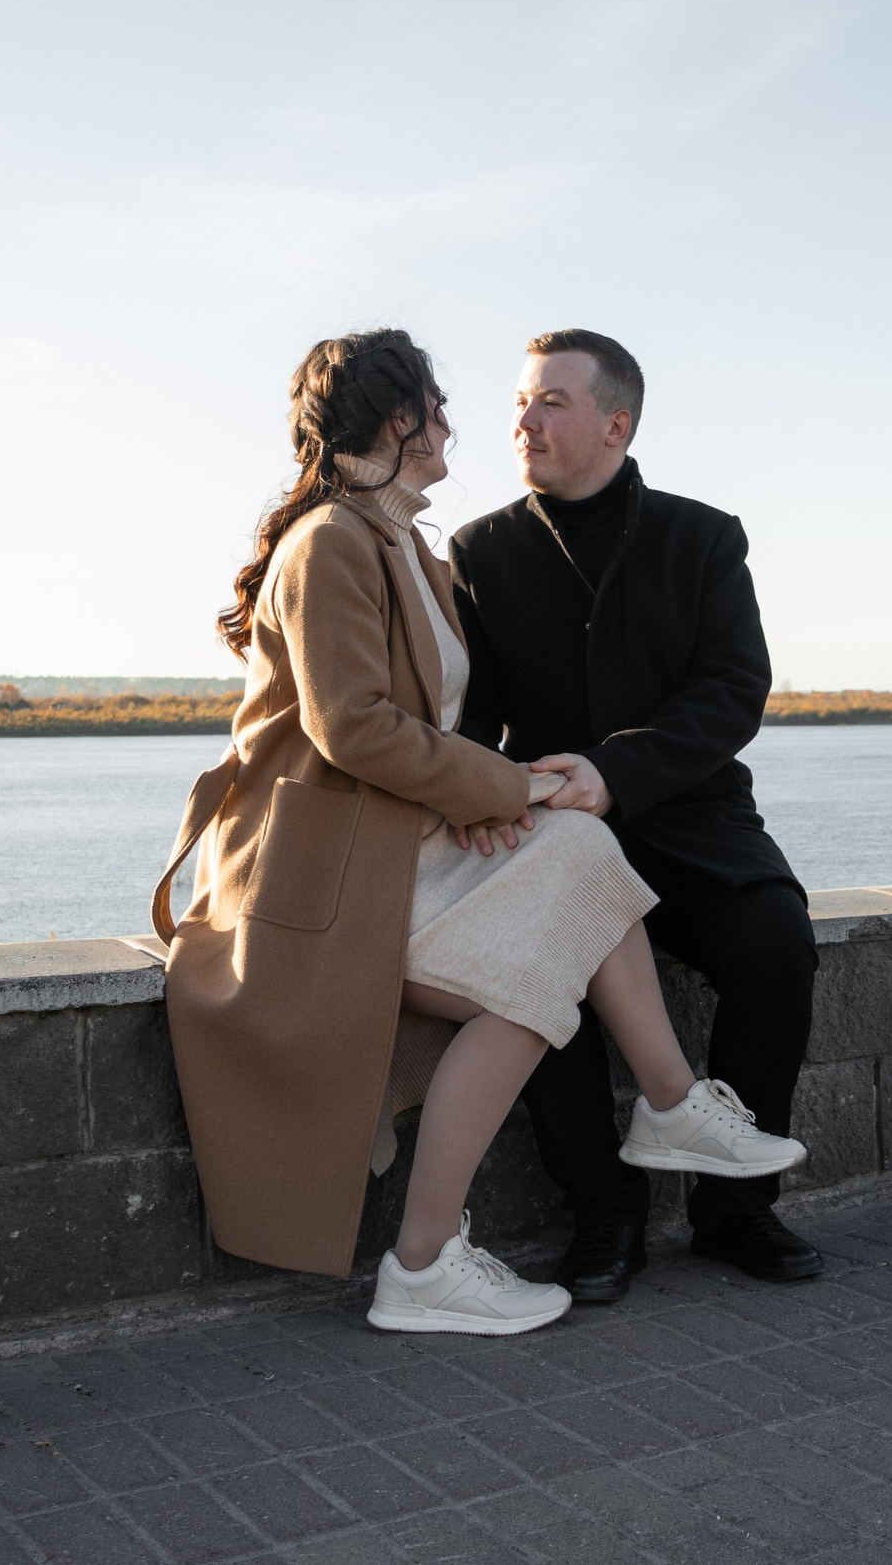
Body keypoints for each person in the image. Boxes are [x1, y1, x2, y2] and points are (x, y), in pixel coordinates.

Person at [152, 329, 801, 1338]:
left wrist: (497, 801)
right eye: (445, 403)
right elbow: (356, 727)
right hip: (322, 873)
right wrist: (503, 793)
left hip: (428, 842)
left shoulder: (405, 545)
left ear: (616, 423)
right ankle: (466, 1242)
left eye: (546, 402)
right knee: (545, 945)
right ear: (398, 419)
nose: (474, 423)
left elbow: (448, 727)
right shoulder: (335, 542)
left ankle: (450, 1252)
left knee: (576, 919)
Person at [450, 329, 822, 1302]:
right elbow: (472, 714)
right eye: (520, 402)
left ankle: (735, 1210)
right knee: (542, 979)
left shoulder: (704, 537)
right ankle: (604, 1215)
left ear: (616, 424)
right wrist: (479, 792)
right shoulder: (479, 550)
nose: (524, 420)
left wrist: (618, 770)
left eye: (551, 401)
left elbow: (732, 690)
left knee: (775, 942)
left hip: (691, 818)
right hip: (551, 835)